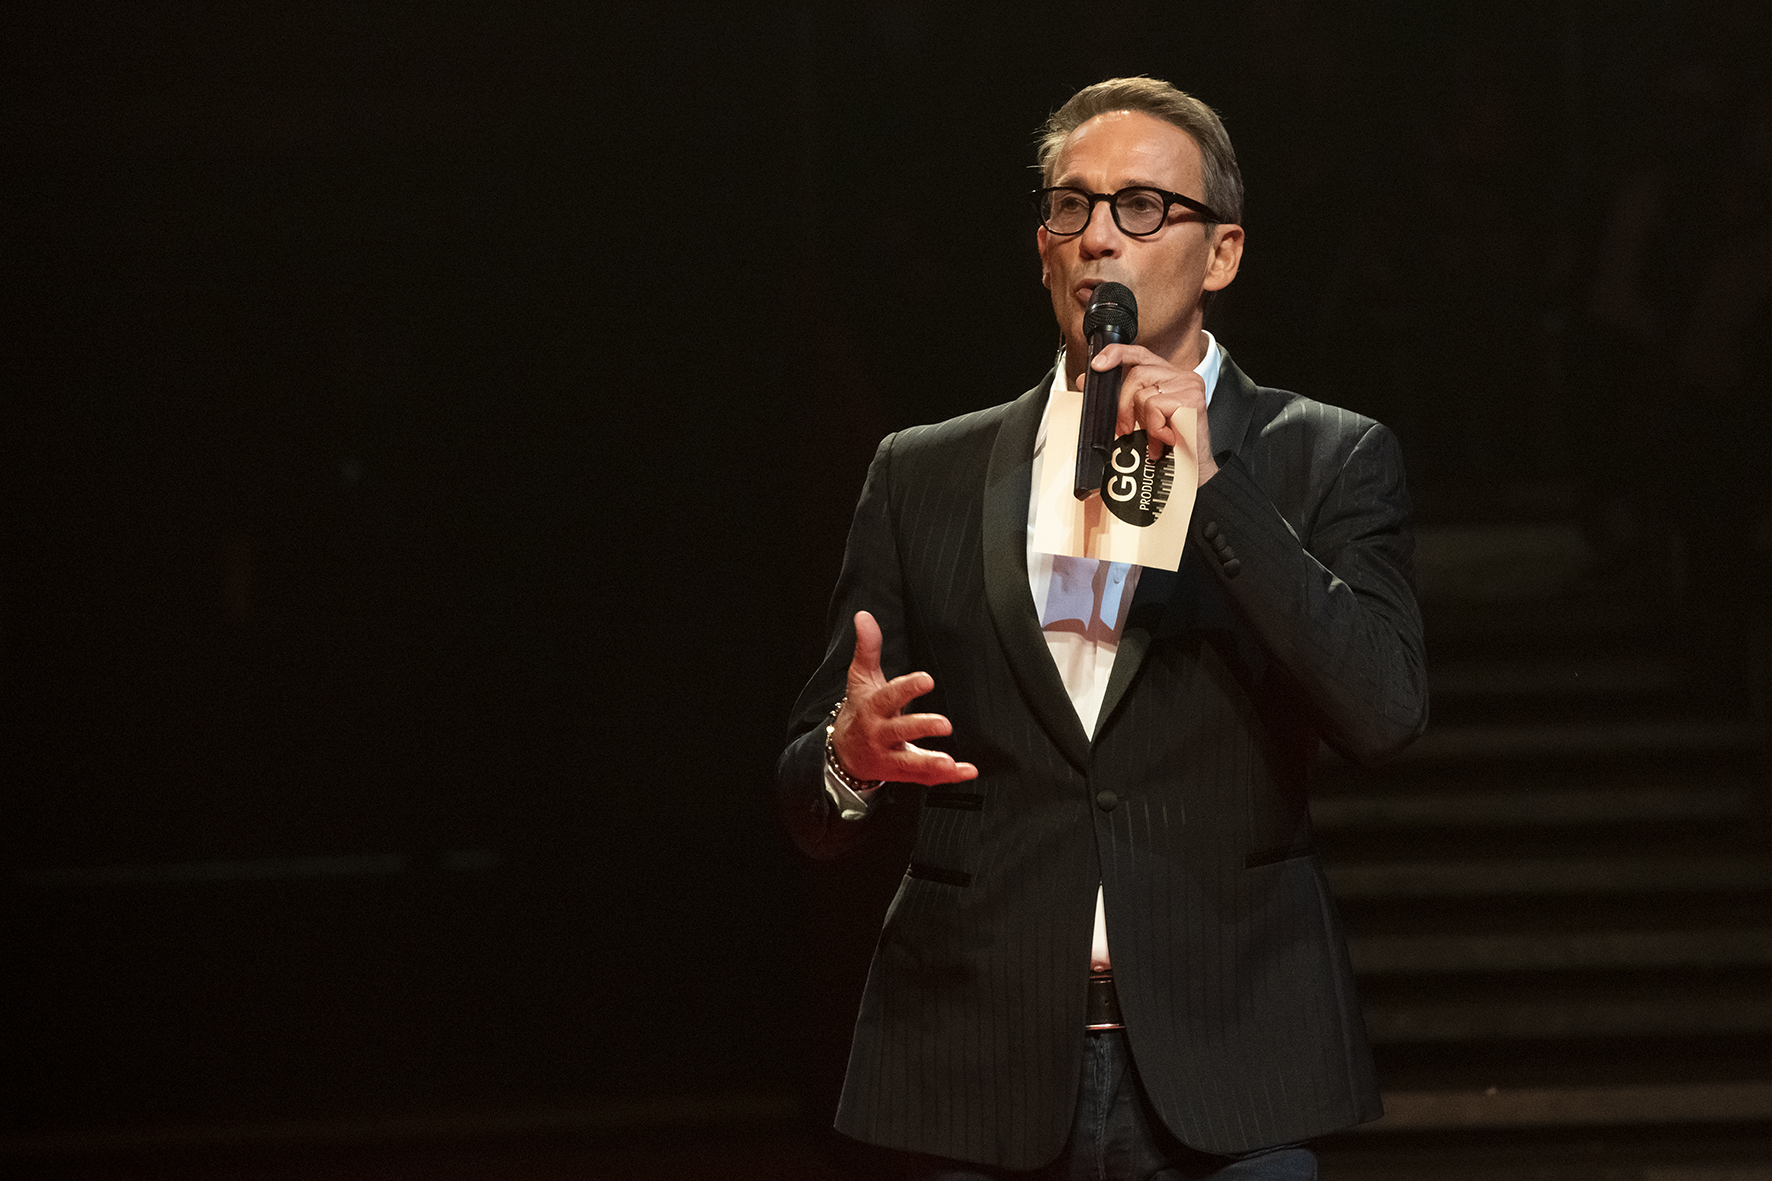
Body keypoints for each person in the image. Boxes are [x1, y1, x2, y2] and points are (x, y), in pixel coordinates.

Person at [778, 77, 1428, 1180]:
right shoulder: (922, 474)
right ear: (1041, 247)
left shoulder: (1325, 457)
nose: (1097, 238)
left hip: (1232, 1055)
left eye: (1140, 207)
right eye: (1070, 206)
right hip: (976, 1059)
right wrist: (848, 759)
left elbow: (1382, 709)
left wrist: (1215, 489)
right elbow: (810, 796)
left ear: (1221, 253)